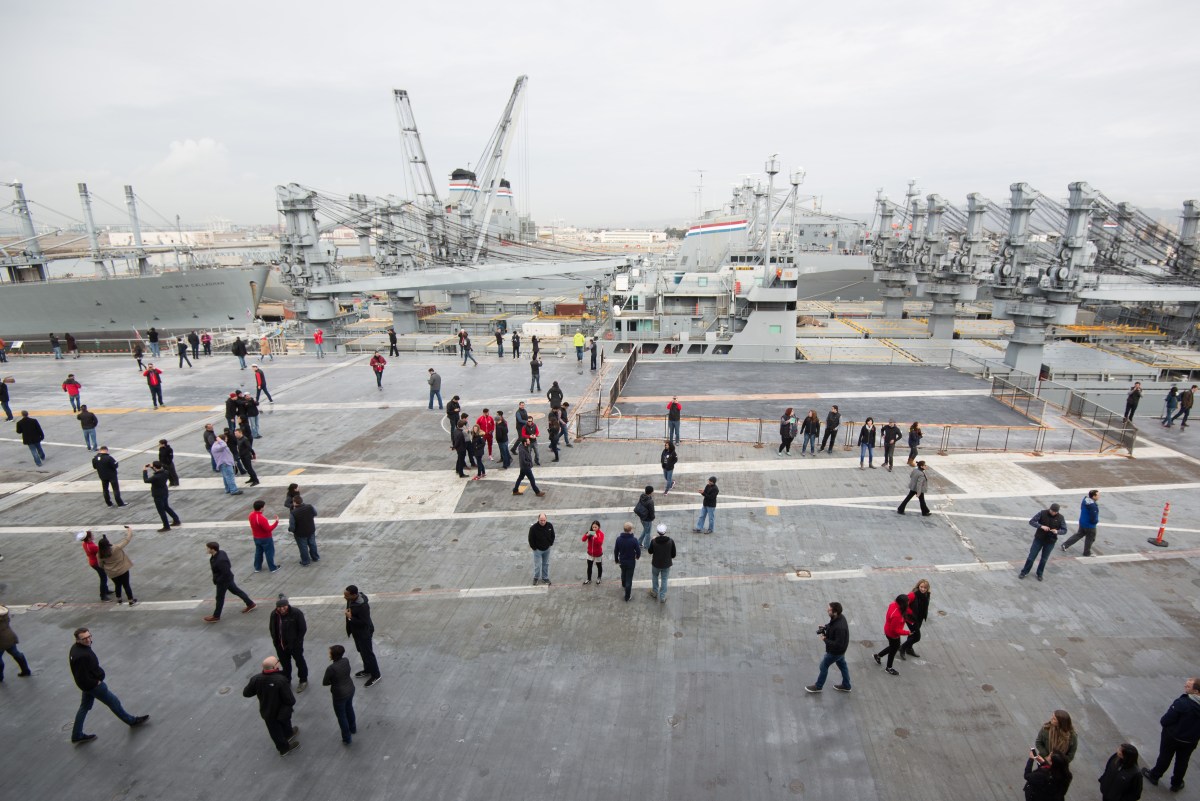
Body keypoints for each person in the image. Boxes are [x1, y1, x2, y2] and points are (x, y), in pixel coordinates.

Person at [69, 627, 149, 744]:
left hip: (86, 686)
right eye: (84, 638)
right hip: (94, 686)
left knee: (84, 707)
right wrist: (96, 682)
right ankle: (131, 721)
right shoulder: (82, 655)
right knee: (114, 702)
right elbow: (83, 675)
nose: (88, 640)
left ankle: (76, 734)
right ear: (78, 640)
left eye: (89, 636)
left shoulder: (76, 649)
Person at [1143, 677, 1200, 791]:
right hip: (1190, 741)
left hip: (1172, 737)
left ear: (1196, 691)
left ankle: (1154, 776)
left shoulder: (1182, 703)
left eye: (1188, 686)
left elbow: (1166, 720)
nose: (1185, 686)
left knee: (1165, 757)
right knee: (1182, 761)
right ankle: (1176, 783)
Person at [242, 656, 300, 756]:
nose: (279, 662)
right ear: (274, 667)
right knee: (285, 722)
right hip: (282, 710)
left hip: (267, 710)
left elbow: (246, 693)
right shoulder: (280, 680)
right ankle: (286, 744)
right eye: (277, 661)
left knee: (274, 730)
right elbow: (290, 699)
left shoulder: (256, 679)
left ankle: (284, 743)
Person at [805, 601, 852, 693]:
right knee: (843, 666)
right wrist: (825, 627)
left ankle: (818, 686)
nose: (827, 610)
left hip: (835, 652)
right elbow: (832, 624)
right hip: (841, 651)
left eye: (829, 610)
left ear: (835, 612)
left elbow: (838, 644)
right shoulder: (840, 617)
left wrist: (825, 639)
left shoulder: (840, 627)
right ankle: (846, 685)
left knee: (823, 666)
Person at [203, 541, 256, 622]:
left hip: (223, 581)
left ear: (212, 549)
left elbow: (226, 572)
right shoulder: (220, 553)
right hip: (227, 579)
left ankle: (216, 616)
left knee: (220, 598)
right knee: (237, 591)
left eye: (207, 548)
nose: (206, 549)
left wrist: (218, 580)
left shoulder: (220, 560)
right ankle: (250, 604)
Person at [270, 595, 309, 691]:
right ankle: (287, 680)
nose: (282, 609)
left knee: (300, 662)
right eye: (279, 607)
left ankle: (303, 680)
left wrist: (298, 642)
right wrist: (276, 642)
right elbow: (272, 628)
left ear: (287, 605)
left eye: (284, 606)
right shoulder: (274, 614)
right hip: (280, 645)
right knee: (285, 664)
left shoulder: (296, 613)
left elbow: (302, 629)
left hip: (295, 645)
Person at [344, 585, 381, 686]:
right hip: (356, 632)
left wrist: (350, 618)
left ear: (354, 595)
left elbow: (364, 622)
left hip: (364, 633)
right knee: (361, 651)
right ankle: (367, 669)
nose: (345, 597)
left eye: (346, 596)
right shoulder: (351, 600)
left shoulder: (363, 606)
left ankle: (376, 675)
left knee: (368, 654)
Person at [1020, 502, 1067, 581]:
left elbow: (1064, 530)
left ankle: (1040, 573)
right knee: (1031, 557)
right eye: (1052, 511)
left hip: (1050, 541)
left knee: (1044, 559)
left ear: (1057, 512)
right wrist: (1041, 526)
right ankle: (1024, 572)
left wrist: (1057, 531)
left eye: (1055, 512)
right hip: (1039, 539)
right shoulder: (1042, 513)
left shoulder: (1061, 518)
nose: (1053, 513)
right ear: (1050, 509)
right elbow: (1032, 521)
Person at [323, 644, 357, 745]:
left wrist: (334, 681)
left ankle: (347, 738)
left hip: (339, 694)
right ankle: (353, 728)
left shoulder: (331, 668)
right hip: (350, 689)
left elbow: (325, 682)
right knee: (349, 708)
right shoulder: (346, 660)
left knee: (341, 716)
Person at [872, 594, 910, 675]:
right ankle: (889, 668)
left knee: (894, 646)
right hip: (893, 635)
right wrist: (907, 633)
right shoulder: (897, 616)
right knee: (893, 650)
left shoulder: (893, 605)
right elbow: (895, 630)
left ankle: (878, 656)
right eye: (907, 602)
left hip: (888, 630)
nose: (908, 603)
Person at [98, 528, 138, 605]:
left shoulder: (99, 554)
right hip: (122, 570)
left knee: (117, 585)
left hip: (112, 573)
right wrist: (129, 530)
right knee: (126, 585)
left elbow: (100, 565)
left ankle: (119, 599)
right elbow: (127, 540)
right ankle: (130, 600)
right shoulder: (116, 548)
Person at [143, 461, 181, 531]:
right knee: (166, 507)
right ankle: (176, 519)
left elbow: (146, 480)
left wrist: (145, 470)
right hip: (164, 492)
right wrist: (152, 467)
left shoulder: (155, 477)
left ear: (155, 467)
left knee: (161, 511)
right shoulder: (165, 472)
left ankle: (166, 526)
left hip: (158, 495)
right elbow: (158, 471)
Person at [899, 578, 931, 660]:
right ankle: (903, 648)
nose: (923, 589)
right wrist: (911, 613)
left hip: (919, 618)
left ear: (927, 588)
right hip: (911, 619)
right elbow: (904, 604)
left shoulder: (927, 595)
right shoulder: (913, 595)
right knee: (917, 637)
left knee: (912, 634)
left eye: (925, 588)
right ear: (918, 586)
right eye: (921, 587)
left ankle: (909, 649)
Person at [1061, 490, 1101, 557]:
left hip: (1082, 522)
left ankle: (1065, 545)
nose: (1099, 496)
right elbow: (1093, 517)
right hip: (1090, 525)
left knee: (1079, 535)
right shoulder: (1093, 506)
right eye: (1098, 495)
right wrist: (1095, 522)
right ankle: (1087, 552)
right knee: (1090, 538)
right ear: (1093, 496)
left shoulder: (1085, 500)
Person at [0, 604, 32, 681]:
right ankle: (26, 670)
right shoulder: (4, 613)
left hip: (1, 641)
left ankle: (0, 677)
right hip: (10, 636)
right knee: (16, 653)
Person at [647, 523, 676, 603]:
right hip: (666, 564)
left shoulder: (654, 541)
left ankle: (655, 592)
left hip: (656, 564)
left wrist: (652, 541)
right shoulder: (670, 541)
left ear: (657, 532)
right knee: (664, 579)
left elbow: (650, 551)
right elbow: (673, 555)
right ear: (665, 531)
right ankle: (662, 596)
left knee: (655, 577)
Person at [250, 499, 280, 573]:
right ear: (261, 508)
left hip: (256, 537)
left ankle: (257, 567)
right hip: (265, 538)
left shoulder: (251, 515)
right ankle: (272, 568)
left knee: (258, 552)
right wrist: (276, 522)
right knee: (269, 553)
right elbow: (268, 529)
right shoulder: (261, 518)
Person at [613, 522, 641, 602]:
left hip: (622, 560)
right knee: (629, 578)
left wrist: (616, 560)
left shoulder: (618, 539)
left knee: (623, 572)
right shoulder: (634, 540)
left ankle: (623, 583)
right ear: (631, 530)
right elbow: (638, 550)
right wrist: (637, 556)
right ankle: (627, 596)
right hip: (631, 562)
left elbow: (616, 550)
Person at [80, 531, 112, 601]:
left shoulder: (85, 544)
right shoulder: (92, 546)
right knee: (103, 578)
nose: (93, 535)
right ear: (89, 538)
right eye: (92, 535)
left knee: (103, 577)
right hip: (96, 563)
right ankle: (103, 595)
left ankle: (106, 590)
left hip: (92, 562)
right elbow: (102, 551)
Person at [289, 494, 320, 566]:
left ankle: (306, 561)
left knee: (303, 547)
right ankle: (315, 557)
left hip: (300, 533)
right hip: (310, 529)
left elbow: (292, 526)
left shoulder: (293, 513)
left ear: (294, 502)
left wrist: (291, 530)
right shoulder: (309, 507)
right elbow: (315, 513)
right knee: (312, 544)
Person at [529, 513, 555, 586]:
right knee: (537, 565)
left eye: (544, 520)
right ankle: (536, 578)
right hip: (537, 550)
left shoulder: (550, 525)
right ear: (538, 519)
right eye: (541, 520)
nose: (543, 522)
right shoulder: (533, 528)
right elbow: (530, 539)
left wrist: (550, 543)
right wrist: (534, 548)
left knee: (546, 564)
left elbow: (553, 535)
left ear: (546, 519)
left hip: (547, 549)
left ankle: (545, 577)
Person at [582, 520, 604, 585]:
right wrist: (587, 535)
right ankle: (589, 579)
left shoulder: (601, 534)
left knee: (599, 566)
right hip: (590, 554)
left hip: (598, 554)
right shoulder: (590, 532)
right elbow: (583, 539)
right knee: (589, 566)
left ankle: (599, 578)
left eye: (595, 527)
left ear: (598, 527)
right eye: (593, 527)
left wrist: (596, 537)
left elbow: (600, 544)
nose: (594, 529)